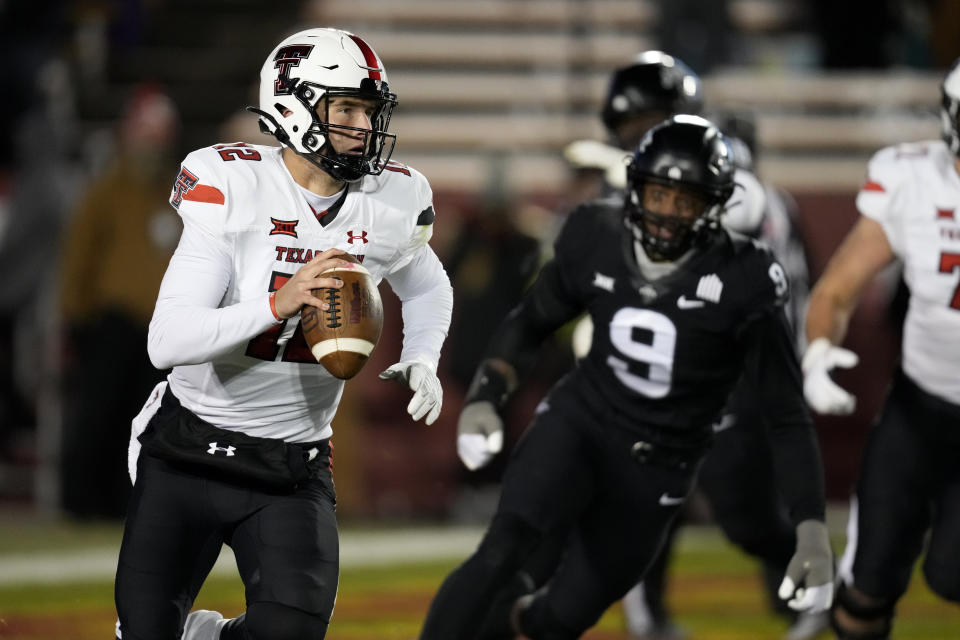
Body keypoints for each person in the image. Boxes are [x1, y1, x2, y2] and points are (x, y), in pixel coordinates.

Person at [419, 114, 834, 640]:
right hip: (582, 424)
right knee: (506, 544)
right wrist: (486, 396)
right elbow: (531, 323)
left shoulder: (746, 277)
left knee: (560, 617)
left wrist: (811, 526)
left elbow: (786, 413)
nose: (667, 214)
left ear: (716, 205)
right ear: (636, 188)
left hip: (660, 465)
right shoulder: (596, 231)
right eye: (659, 195)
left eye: (686, 201)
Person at [112, 27, 453, 640]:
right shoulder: (232, 185)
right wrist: (279, 301)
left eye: (369, 111)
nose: (362, 125)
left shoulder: (391, 200)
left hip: (291, 464)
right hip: (190, 449)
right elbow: (166, 341)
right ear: (291, 105)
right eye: (345, 107)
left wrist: (423, 354)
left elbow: (429, 285)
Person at [802, 58, 960, 640]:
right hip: (918, 411)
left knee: (952, 575)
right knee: (866, 587)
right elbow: (839, 288)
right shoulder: (913, 179)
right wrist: (819, 349)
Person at [57, 83, 181, 519]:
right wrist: (75, 318)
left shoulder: (176, 194)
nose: (153, 141)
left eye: (160, 132)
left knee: (144, 422)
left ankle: (126, 501)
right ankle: (80, 502)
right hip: (111, 324)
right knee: (98, 416)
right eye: (147, 130)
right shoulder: (106, 191)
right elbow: (79, 258)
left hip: (159, 331)